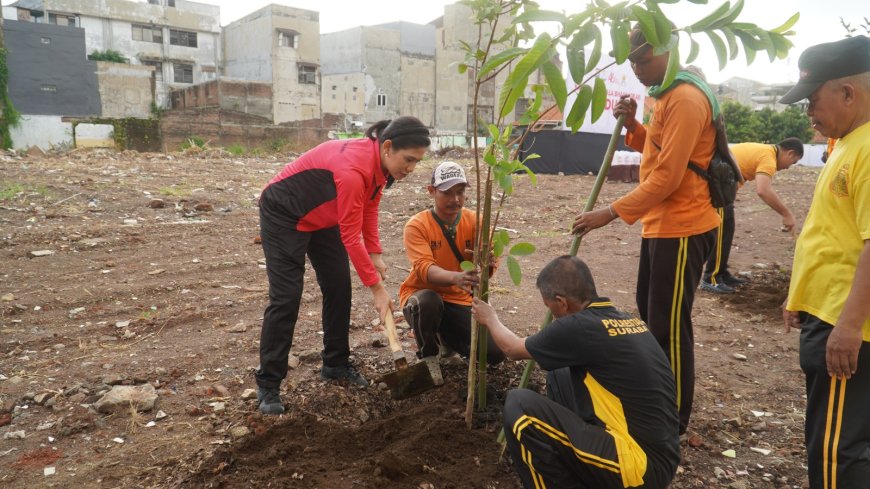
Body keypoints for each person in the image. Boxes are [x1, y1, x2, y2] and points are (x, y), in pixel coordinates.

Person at [571, 26, 719, 435]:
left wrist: (610, 212)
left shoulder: (686, 97)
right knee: (652, 314)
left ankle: (672, 421)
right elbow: (657, 150)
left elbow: (669, 177)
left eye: (643, 60)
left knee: (669, 327)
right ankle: (658, 400)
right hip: (661, 224)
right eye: (632, 61)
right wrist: (634, 124)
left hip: (685, 225)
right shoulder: (662, 95)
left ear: (669, 50)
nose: (637, 69)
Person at [255, 116, 431, 415]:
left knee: (339, 286)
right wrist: (376, 289)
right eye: (409, 159)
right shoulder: (353, 169)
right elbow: (350, 236)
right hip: (285, 212)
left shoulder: (380, 165)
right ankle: (268, 383)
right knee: (286, 298)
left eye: (417, 161)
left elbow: (369, 206)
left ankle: (335, 364)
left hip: (324, 216)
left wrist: (375, 253)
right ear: (388, 147)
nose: (411, 168)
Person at [471, 256, 679, 489]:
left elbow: (512, 349)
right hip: (660, 459)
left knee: (519, 406)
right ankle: (577, 469)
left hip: (638, 469)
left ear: (561, 302)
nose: (552, 314)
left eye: (549, 306)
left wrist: (490, 318)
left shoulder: (578, 327)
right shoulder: (627, 321)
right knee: (559, 372)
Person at [780, 35, 870, 489]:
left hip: (844, 321)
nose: (809, 113)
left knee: (837, 450)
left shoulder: (867, 149)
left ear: (848, 93)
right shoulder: (847, 144)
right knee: (835, 436)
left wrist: (849, 326)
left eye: (813, 101)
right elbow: (832, 233)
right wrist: (798, 297)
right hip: (827, 312)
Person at [399, 162, 505, 376]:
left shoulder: (476, 221)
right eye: (447, 193)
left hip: (459, 300)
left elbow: (488, 269)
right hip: (422, 297)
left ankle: (446, 339)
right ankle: (428, 355)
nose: (455, 199)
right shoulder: (417, 225)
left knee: (495, 353)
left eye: (460, 192)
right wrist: (456, 277)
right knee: (428, 302)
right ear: (431, 191)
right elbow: (424, 269)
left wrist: (488, 263)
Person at [701, 138, 804, 294]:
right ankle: (711, 279)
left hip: (720, 187)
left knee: (727, 231)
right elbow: (763, 190)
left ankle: (721, 273)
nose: (788, 167)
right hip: (716, 188)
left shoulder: (766, 151)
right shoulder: (768, 158)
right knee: (722, 234)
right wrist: (786, 214)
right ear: (790, 153)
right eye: (793, 162)